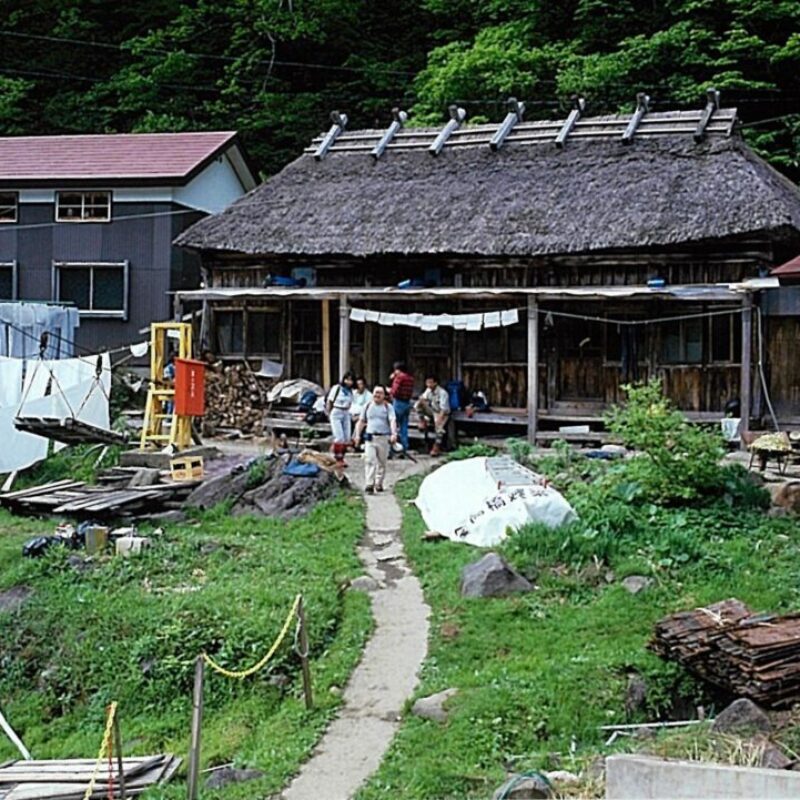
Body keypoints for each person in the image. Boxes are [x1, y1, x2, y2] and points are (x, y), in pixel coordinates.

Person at [354, 385, 398, 494]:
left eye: (379, 393)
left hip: (383, 437)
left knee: (382, 462)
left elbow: (392, 420)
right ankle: (369, 484)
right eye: (375, 392)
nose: (377, 395)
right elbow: (361, 421)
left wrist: (394, 434)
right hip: (370, 437)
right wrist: (357, 435)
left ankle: (379, 483)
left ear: (384, 395)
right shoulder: (367, 406)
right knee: (369, 460)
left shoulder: (388, 407)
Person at [416, 374, 451, 456]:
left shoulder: (443, 393)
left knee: (439, 428)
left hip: (441, 413)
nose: (429, 385)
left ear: (435, 383)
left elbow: (444, 409)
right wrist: (422, 401)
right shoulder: (428, 390)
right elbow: (423, 398)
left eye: (431, 383)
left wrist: (439, 420)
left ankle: (436, 446)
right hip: (432, 410)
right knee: (419, 404)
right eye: (427, 383)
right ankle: (422, 421)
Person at [326, 371, 355, 466]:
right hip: (336, 410)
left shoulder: (350, 392)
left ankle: (341, 457)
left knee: (347, 437)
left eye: (351, 380)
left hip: (346, 412)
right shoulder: (337, 388)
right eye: (347, 379)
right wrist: (329, 413)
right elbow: (330, 401)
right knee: (339, 437)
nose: (349, 382)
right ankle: (338, 458)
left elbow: (350, 403)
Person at [388, 361, 415, 451]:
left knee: (393, 425)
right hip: (407, 403)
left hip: (398, 402)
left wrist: (389, 389)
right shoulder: (410, 378)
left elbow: (394, 391)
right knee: (404, 427)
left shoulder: (399, 378)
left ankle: (391, 448)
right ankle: (404, 447)